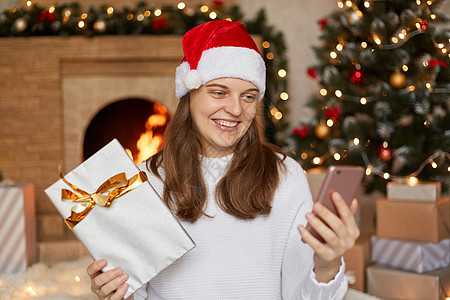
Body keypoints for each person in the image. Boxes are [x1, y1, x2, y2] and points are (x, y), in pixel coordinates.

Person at [87, 20, 360, 300]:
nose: (235, 109)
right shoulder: (144, 180)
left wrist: (327, 266)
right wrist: (117, 293)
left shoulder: (286, 176)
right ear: (189, 94)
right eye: (219, 92)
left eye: (248, 96)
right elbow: (137, 294)